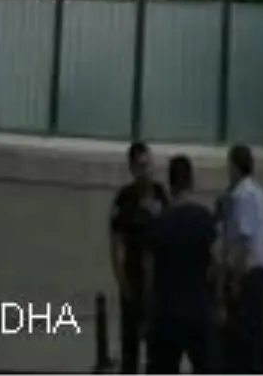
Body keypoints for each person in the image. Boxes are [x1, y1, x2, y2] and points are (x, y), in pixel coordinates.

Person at [145, 155, 218, 376]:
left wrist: (147, 312)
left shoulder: (159, 222)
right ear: (191, 181)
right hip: (198, 309)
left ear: (170, 183)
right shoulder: (205, 218)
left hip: (166, 312)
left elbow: (148, 271)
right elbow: (215, 264)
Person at [109, 141, 169, 376]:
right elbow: (115, 245)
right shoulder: (124, 199)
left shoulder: (160, 193)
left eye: (149, 164)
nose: (147, 171)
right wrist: (122, 283)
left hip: (158, 283)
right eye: (142, 166)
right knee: (130, 348)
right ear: (132, 168)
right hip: (133, 280)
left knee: (159, 348)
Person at [222, 144, 263, 375]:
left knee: (242, 333)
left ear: (234, 166)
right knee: (259, 330)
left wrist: (235, 279)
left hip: (248, 271)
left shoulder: (241, 195)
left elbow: (244, 238)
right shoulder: (260, 193)